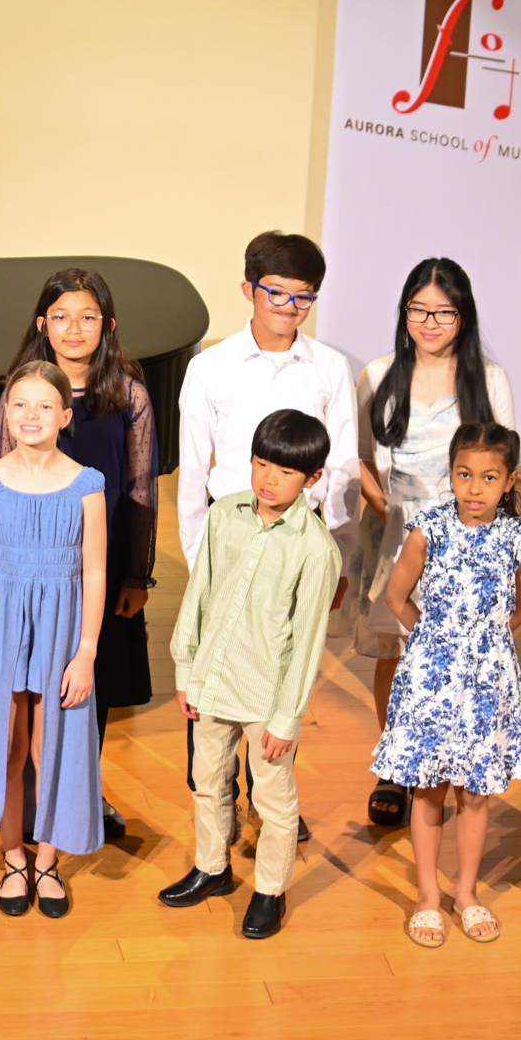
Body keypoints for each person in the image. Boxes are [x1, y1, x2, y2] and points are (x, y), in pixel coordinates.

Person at [176, 230, 357, 849]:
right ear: (249, 289)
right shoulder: (210, 367)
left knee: (279, 667)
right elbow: (193, 473)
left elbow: (342, 470)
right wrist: (201, 563)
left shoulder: (329, 368)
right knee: (214, 674)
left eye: (303, 297)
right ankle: (216, 807)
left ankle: (268, 799)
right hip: (227, 544)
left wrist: (337, 561)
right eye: (276, 292)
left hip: (296, 547)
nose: (288, 306)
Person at [345, 258, 515, 830]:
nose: (430, 322)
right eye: (418, 310)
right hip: (395, 531)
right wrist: (390, 516)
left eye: (443, 312)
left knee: (459, 658)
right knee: (397, 653)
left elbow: (505, 463)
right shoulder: (378, 374)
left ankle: (452, 762)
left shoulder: (489, 379)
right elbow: (360, 458)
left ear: (463, 316)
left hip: (467, 537)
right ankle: (396, 767)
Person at [160, 410, 341, 940]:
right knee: (208, 781)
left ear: (312, 479)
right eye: (261, 464)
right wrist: (186, 667)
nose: (267, 479)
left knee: (272, 800)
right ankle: (212, 868)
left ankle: (269, 891)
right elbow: (200, 592)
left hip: (266, 696)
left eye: (284, 471)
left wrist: (287, 718)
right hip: (213, 680)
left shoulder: (316, 550)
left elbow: (307, 643)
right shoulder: (225, 515)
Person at [370, 422, 521, 947]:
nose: (474, 487)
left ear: (509, 481)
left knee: (475, 791)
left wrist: (483, 642)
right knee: (429, 788)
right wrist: (434, 638)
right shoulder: (428, 530)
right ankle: (428, 895)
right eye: (464, 474)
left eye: (489, 477)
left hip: (488, 681)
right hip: (432, 678)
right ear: (450, 473)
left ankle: (466, 892)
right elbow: (396, 596)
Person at [0, 267, 158, 842]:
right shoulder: (25, 393)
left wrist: (137, 574)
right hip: (32, 567)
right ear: (42, 323)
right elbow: (1, 479)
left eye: (88, 317)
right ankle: (25, 801)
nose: (74, 328)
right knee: (29, 687)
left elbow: (140, 488)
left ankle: (80, 795)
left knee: (91, 686)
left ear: (107, 326)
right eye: (61, 316)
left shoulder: (128, 393)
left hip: (100, 565)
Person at [0, 362, 108, 918]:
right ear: (5, 413)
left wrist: (86, 651)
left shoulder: (87, 485)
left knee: (51, 746)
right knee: (10, 744)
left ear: (65, 415)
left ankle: (47, 860)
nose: (30, 415)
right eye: (19, 404)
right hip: (1, 620)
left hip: (62, 623)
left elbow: (95, 573)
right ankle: (13, 855)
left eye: (44, 405)